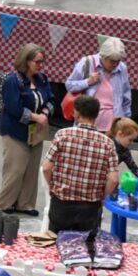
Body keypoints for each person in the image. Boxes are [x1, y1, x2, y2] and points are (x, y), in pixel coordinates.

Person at [41, 95, 120, 232]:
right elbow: (113, 180)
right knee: (85, 244)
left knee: (55, 242)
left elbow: (46, 168)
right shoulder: (108, 143)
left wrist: (53, 186)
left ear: (77, 113)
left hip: (62, 203)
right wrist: (101, 196)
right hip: (90, 207)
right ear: (97, 115)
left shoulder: (62, 135)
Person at [0, 44, 53, 215]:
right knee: (15, 170)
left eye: (43, 62)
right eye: (37, 62)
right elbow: (14, 108)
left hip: (36, 132)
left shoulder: (42, 79)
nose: (41, 65)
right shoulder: (12, 81)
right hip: (15, 131)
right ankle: (4, 204)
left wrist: (45, 112)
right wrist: (36, 117)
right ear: (26, 61)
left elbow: (51, 99)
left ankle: (25, 204)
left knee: (31, 170)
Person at [62, 37, 132, 133]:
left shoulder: (122, 68)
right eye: (112, 61)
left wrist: (126, 118)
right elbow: (69, 85)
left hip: (113, 126)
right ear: (103, 56)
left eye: (118, 61)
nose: (116, 64)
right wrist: (87, 82)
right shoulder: (87, 62)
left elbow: (126, 96)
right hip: (87, 123)